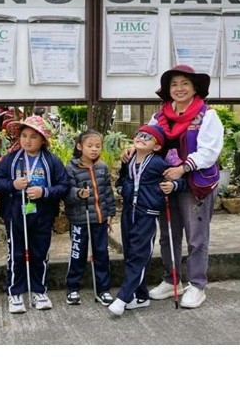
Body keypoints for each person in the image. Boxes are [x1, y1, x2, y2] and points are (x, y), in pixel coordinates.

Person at [126, 64, 223, 309]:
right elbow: (148, 137)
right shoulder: (160, 116)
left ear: (194, 88)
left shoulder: (207, 115)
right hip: (166, 183)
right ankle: (172, 280)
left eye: (185, 84)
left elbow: (209, 152)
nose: (179, 89)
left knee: (196, 237)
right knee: (169, 234)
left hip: (194, 183)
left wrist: (182, 168)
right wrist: (134, 147)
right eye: (174, 84)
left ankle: (197, 285)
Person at [0, 114, 67, 313]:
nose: (27, 140)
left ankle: (39, 290)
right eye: (24, 135)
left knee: (40, 253)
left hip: (43, 213)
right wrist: (12, 185)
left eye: (33, 137)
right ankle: (15, 292)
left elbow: (64, 185)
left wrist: (45, 192)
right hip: (15, 212)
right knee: (16, 253)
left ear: (43, 140)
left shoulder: (52, 161)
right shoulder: (11, 159)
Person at [108, 123, 176, 317]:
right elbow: (122, 178)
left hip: (147, 213)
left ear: (156, 146)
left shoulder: (157, 162)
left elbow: (175, 177)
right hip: (129, 211)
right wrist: (122, 187)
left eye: (147, 137)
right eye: (139, 134)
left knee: (139, 255)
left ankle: (123, 297)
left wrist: (174, 186)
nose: (141, 138)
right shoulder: (129, 160)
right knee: (130, 253)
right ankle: (141, 296)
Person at [63, 129, 115, 306]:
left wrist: (110, 214)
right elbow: (66, 192)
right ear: (80, 146)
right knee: (78, 254)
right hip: (80, 220)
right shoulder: (71, 167)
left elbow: (108, 192)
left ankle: (103, 289)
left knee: (101, 254)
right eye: (90, 146)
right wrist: (78, 193)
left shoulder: (102, 167)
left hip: (99, 219)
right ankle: (72, 288)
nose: (94, 149)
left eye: (98, 146)